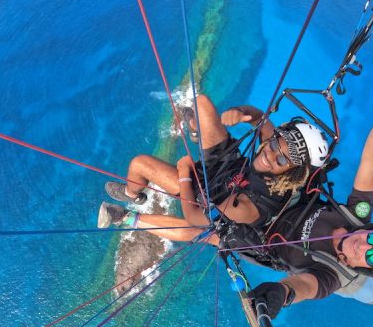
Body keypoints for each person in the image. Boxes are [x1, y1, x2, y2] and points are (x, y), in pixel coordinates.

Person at [119, 75, 373, 317]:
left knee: (200, 227)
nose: (363, 244)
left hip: (243, 220)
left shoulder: (331, 275)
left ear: (368, 269)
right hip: (250, 182)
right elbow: (372, 163)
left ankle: (131, 209)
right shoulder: (356, 216)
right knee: (202, 105)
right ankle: (187, 141)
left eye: (370, 255)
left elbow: (304, 286)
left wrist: (280, 294)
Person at [99, 94, 329, 228]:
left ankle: (133, 196)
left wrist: (184, 172)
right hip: (230, 167)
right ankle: (196, 128)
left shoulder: (250, 208)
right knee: (201, 103)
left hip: (207, 195)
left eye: (281, 160)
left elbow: (194, 218)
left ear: (292, 173)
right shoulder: (274, 148)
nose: (270, 154)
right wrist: (239, 112)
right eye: (275, 144)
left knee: (139, 164)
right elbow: (260, 117)